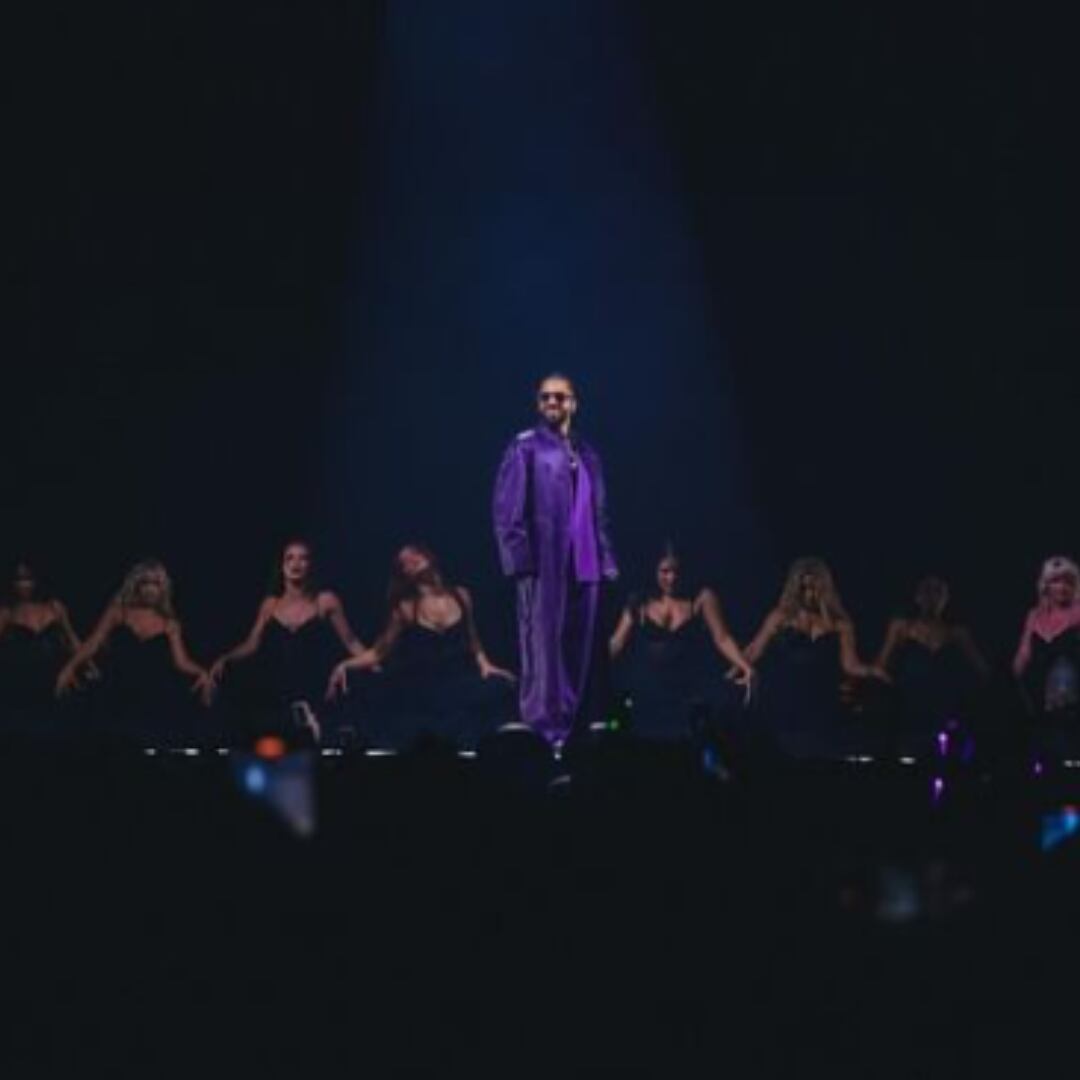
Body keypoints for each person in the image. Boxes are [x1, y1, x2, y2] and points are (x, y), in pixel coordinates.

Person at [493, 373, 618, 746]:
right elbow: (506, 510)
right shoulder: (525, 447)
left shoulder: (588, 452)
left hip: (585, 561)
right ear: (538, 403)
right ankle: (544, 731)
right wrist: (521, 563)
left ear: (573, 404)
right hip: (544, 564)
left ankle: (575, 728)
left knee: (581, 647)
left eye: (559, 397)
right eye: (545, 397)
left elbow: (600, 511)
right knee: (544, 649)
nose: (552, 403)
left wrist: (606, 557)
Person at [327, 543, 514, 748]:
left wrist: (485, 664)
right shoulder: (405, 607)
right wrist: (344, 665)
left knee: (500, 687)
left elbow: (473, 638)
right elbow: (379, 652)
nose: (411, 559)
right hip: (424, 686)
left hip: (459, 680)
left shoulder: (462, 595)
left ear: (429, 555)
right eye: (404, 562)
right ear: (403, 574)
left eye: (415, 554)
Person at [208, 538, 364, 743]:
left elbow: (351, 641)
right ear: (282, 566)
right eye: (289, 558)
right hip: (277, 693)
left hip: (314, 693)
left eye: (303, 558)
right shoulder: (270, 604)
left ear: (311, 565)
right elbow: (251, 644)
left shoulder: (325, 600)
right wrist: (225, 658)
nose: (296, 564)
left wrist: (373, 659)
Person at [55, 559, 211, 744]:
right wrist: (69, 667)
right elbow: (93, 643)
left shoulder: (170, 623)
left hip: (152, 698)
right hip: (115, 693)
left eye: (156, 583)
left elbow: (181, 661)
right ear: (137, 585)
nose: (151, 589)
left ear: (163, 588)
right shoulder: (118, 612)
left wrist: (202, 672)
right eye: (146, 582)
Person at [744, 556, 886, 759]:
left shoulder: (841, 624)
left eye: (814, 585)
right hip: (787, 702)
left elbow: (850, 664)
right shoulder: (781, 617)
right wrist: (736, 665)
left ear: (824, 588)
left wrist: (873, 670)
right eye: (804, 585)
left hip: (823, 702)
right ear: (796, 587)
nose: (808, 591)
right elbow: (755, 649)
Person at [609, 546, 753, 740]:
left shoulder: (702, 597)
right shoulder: (639, 601)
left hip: (688, 688)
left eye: (677, 571)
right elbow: (617, 642)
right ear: (653, 571)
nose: (672, 578)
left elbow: (722, 637)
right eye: (665, 571)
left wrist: (745, 665)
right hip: (649, 690)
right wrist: (590, 670)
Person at [876, 575, 988, 756]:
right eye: (927, 592)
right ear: (917, 597)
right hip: (910, 707)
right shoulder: (902, 627)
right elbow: (882, 665)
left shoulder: (957, 633)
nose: (932, 598)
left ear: (945, 599)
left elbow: (982, 669)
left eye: (938, 593)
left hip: (943, 708)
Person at [0, 560, 85, 733]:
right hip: (22, 682)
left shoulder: (55, 607)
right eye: (19, 580)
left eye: (28, 579)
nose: (24, 585)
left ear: (38, 580)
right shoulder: (7, 613)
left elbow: (71, 640)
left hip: (55, 677)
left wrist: (87, 666)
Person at [1012, 556, 1080, 755]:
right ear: (1046, 585)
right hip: (1036, 687)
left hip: (1069, 691)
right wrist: (1012, 680)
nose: (1062, 586)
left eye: (1069, 581)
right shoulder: (1034, 614)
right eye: (1057, 581)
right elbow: (1024, 651)